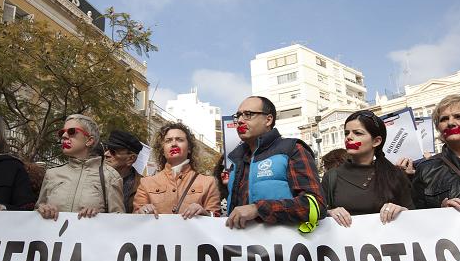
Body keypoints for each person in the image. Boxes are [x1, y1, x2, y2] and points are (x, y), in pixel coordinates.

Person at [225, 96, 325, 231]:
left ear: (268, 119)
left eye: (248, 114)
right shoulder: (236, 160)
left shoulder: (292, 149)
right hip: (241, 248)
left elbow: (316, 205)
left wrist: (258, 209)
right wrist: (204, 218)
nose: (240, 121)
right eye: (238, 116)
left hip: (283, 248)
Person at [323, 110, 414, 227]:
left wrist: (401, 211)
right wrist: (328, 213)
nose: (349, 138)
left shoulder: (395, 175)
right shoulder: (331, 177)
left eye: (358, 133)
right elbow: (317, 216)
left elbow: (414, 216)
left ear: (376, 141)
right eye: (346, 133)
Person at [36, 114, 125, 220]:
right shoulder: (51, 174)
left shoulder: (110, 176)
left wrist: (98, 216)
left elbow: (119, 220)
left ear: (89, 140)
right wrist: (42, 210)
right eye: (62, 132)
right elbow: (36, 213)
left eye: (72, 131)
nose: (64, 136)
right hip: (53, 236)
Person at [133, 122, 221, 218]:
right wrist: (142, 211)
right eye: (168, 140)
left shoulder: (208, 182)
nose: (174, 144)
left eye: (179, 140)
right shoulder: (146, 183)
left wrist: (205, 213)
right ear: (162, 150)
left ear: (189, 149)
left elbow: (216, 218)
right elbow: (135, 217)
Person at [104, 130, 143, 213]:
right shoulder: (94, 176)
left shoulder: (143, 185)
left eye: (113, 152)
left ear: (131, 159)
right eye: (106, 149)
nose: (106, 154)